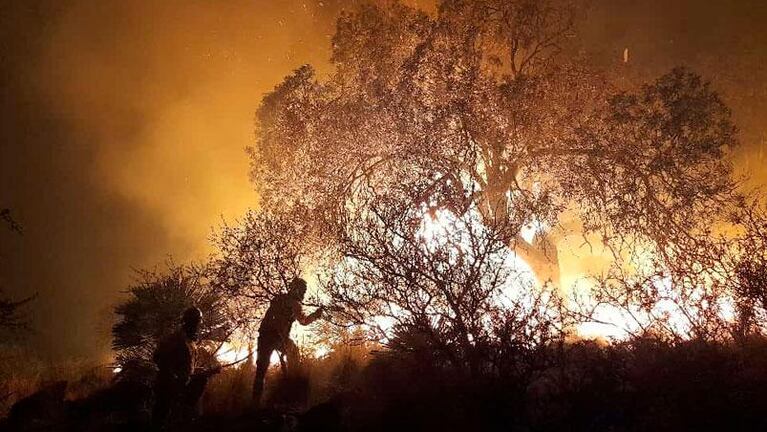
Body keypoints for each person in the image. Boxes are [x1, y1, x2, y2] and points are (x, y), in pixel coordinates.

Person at [253, 277, 323, 407]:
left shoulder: (278, 299)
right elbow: (303, 321)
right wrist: (315, 315)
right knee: (294, 353)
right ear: (296, 289)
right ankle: (291, 385)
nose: (304, 294)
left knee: (261, 371)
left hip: (264, 336)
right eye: (303, 290)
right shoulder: (294, 303)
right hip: (277, 337)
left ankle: (255, 403)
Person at [151, 307, 219, 429]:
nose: (198, 326)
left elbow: (187, 368)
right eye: (196, 322)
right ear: (190, 322)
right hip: (168, 388)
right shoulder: (176, 339)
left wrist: (202, 372)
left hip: (179, 388)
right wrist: (173, 376)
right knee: (161, 420)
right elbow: (158, 357)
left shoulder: (189, 342)